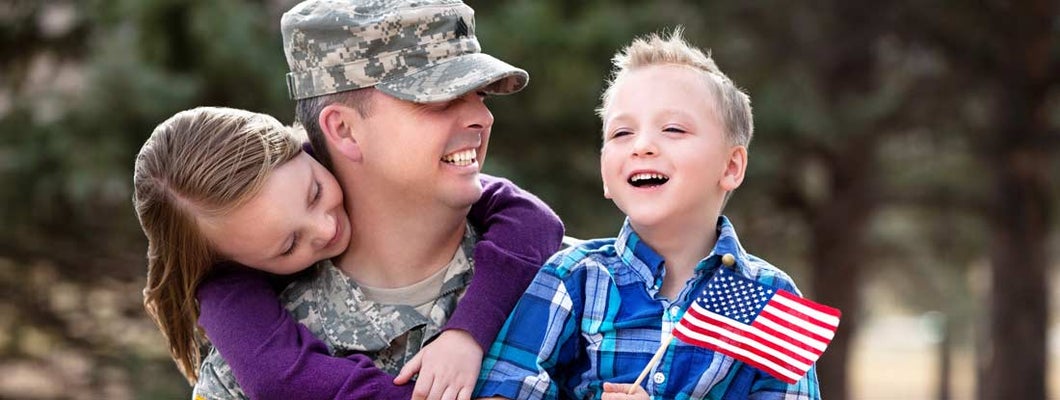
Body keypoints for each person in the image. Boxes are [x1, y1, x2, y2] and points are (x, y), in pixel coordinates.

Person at [182, 1, 565, 399]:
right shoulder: (248, 361)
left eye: (480, 93)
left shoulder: (578, 289)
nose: (483, 118)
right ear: (344, 129)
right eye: (440, 99)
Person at [474, 29, 821, 399]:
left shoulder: (770, 298)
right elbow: (503, 390)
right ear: (605, 174)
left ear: (731, 166)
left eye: (673, 128)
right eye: (622, 133)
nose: (642, 146)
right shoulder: (574, 277)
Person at [132, 106, 561, 400]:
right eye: (288, 246)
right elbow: (279, 378)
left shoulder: (355, 165)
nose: (324, 228)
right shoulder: (231, 299)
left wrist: (466, 333)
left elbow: (532, 218)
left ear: (300, 148)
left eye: (314, 193)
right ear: (237, 264)